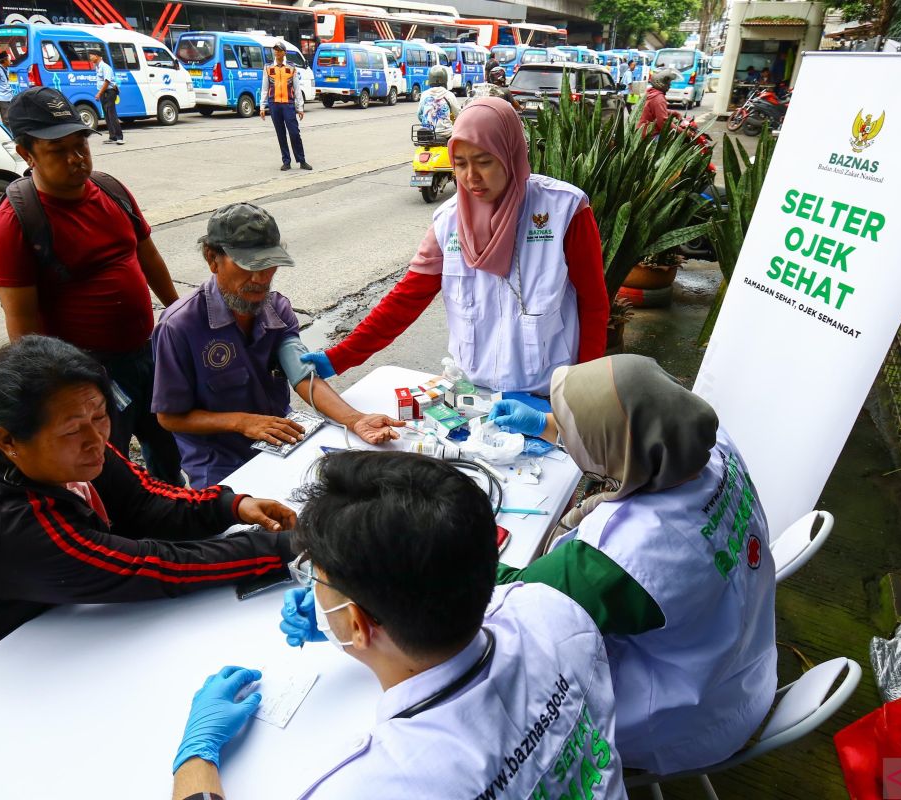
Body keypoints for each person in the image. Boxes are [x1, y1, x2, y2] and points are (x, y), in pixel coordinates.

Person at [172, 451, 626, 798]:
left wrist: (195, 759)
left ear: (356, 622)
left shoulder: (372, 785)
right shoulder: (555, 613)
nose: (312, 586)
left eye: (317, 577)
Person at [0, 335, 297, 697]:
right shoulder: (9, 525)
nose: (97, 441)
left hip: (53, 627)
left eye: (100, 416)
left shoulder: (76, 449)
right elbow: (153, 567)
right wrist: (286, 545)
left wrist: (229, 506)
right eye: (72, 430)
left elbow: (147, 500)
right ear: (7, 440)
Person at [485, 354, 778, 775]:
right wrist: (548, 427)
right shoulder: (709, 448)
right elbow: (631, 441)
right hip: (742, 671)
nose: (563, 429)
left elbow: (512, 601)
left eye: (572, 430)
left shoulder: (626, 554)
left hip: (688, 723)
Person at [302, 98, 608, 396]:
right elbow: (405, 300)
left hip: (546, 393)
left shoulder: (564, 210)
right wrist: (340, 356)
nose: (471, 177)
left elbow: (593, 304)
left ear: (511, 154)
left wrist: (582, 396)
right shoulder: (448, 222)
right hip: (472, 395)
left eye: (484, 161)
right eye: (460, 164)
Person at [0, 87, 183, 484]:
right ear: (26, 153)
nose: (76, 159)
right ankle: (120, 531)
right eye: (58, 151)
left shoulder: (111, 190)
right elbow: (21, 327)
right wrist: (54, 393)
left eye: (81, 145)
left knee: (167, 440)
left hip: (148, 350)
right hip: (91, 373)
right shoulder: (18, 224)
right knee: (105, 463)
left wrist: (179, 319)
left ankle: (173, 509)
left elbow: (149, 259)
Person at [152, 203, 404, 488]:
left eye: (268, 264)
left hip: (279, 441)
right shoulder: (179, 326)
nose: (260, 279)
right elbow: (170, 417)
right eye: (247, 265)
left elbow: (301, 374)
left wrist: (355, 420)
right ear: (213, 258)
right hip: (219, 462)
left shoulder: (277, 308)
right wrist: (242, 422)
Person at [260, 42, 310, 171]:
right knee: (280, 134)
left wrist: (300, 107)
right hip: (274, 104)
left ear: (284, 53)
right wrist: (262, 106)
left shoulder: (291, 68)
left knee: (294, 133)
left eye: (279, 50)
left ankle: (302, 160)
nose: (276, 53)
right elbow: (264, 89)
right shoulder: (268, 68)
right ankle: (286, 161)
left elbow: (297, 89)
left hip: (288, 104)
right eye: (275, 51)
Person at [90, 50, 122, 145]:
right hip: (104, 92)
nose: (90, 58)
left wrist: (99, 94)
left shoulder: (105, 67)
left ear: (96, 56)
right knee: (107, 115)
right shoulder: (98, 67)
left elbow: (107, 81)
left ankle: (119, 137)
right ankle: (112, 137)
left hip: (110, 92)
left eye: (91, 56)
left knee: (112, 115)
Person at [415, 64, 458, 136]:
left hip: (427, 135)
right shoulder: (449, 95)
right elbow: (458, 115)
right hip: (446, 134)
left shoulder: (424, 94)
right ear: (445, 79)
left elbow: (419, 115)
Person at [638, 70, 678, 136]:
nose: (670, 85)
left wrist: (673, 112)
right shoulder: (659, 98)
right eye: (668, 82)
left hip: (641, 132)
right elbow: (663, 122)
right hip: (649, 136)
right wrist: (682, 132)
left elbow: (655, 110)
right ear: (660, 83)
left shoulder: (650, 92)